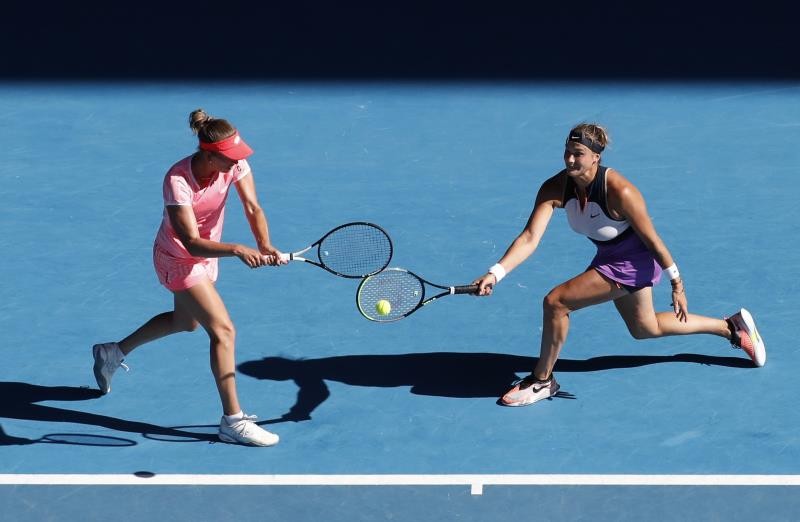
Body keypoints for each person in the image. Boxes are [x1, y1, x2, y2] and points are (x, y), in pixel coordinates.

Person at [473, 123, 766, 407]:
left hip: (634, 263)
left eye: (578, 153)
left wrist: (677, 284)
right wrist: (495, 273)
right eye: (567, 152)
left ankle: (542, 380)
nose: (570, 159)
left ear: (596, 157)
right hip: (609, 256)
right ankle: (731, 328)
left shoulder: (620, 191)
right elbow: (529, 237)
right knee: (645, 328)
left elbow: (653, 240)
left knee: (556, 303)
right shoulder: (556, 187)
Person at [92, 109, 286, 446]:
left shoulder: (234, 164)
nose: (236, 162)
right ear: (209, 156)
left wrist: (265, 245)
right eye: (229, 158)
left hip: (207, 256)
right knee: (223, 331)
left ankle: (113, 352)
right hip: (178, 258)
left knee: (186, 322)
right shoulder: (177, 180)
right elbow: (191, 242)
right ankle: (232, 421)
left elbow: (253, 207)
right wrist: (238, 250)